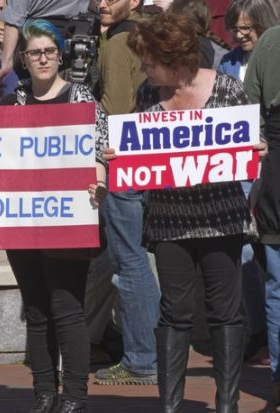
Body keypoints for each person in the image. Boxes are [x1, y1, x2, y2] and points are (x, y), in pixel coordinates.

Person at [122, 12, 264, 412]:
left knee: (224, 311)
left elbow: (251, 139)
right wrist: (119, 156)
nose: (145, 68)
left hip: (222, 218)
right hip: (170, 221)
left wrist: (259, 147)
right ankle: (171, 404)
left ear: (175, 57)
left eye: (150, 61)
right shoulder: (148, 95)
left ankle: (228, 402)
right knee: (174, 312)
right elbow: (137, 150)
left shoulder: (227, 89)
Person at [0, 19, 107, 413]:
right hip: (22, 222)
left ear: (59, 54)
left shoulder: (82, 99)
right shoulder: (11, 104)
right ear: (23, 59)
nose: (41, 58)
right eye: (33, 52)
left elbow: (99, 154)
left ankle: (74, 395)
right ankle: (43, 392)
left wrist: (99, 181)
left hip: (67, 220)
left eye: (48, 51)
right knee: (37, 309)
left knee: (67, 308)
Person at [93, 0, 160, 387]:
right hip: (148, 161)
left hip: (126, 162)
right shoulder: (145, 34)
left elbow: (115, 109)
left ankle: (141, 358)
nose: (102, 3)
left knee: (129, 261)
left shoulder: (121, 43)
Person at [244, 21, 280, 409]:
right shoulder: (270, 40)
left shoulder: (270, 40)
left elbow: (248, 106)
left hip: (276, 173)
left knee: (277, 289)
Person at [219, 0, 280, 81]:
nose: (239, 35)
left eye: (245, 28)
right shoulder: (228, 62)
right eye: (235, 29)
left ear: (264, 24)